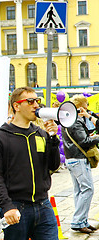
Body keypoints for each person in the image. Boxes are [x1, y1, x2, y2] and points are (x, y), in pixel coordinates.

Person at [0, 87, 61, 240]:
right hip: (16, 207)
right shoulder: (0, 137)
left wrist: (53, 140)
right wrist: (7, 207)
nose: (36, 105)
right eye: (30, 101)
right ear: (16, 106)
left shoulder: (40, 133)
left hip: (43, 205)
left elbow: (53, 166)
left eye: (37, 101)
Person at [61, 94, 99, 234]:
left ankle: (81, 221)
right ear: (82, 106)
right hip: (79, 159)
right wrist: (97, 138)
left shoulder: (67, 120)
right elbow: (84, 142)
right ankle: (78, 221)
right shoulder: (75, 121)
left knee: (79, 191)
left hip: (71, 158)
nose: (88, 107)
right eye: (87, 104)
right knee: (87, 189)